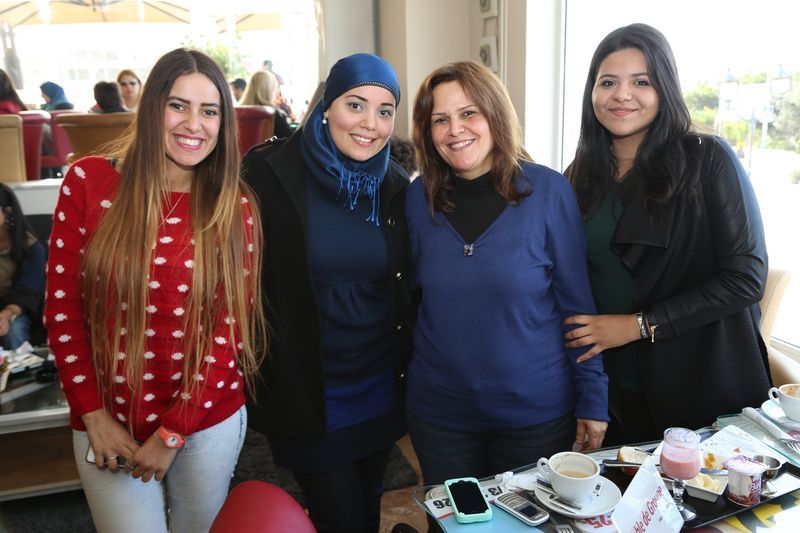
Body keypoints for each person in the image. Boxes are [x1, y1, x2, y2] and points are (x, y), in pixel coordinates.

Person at [44, 48, 266, 533]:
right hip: (106, 421)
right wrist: (92, 415)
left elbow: (229, 333)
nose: (194, 124)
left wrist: (173, 431)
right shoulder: (87, 182)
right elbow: (63, 311)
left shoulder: (235, 206)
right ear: (151, 109)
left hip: (205, 419)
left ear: (224, 124)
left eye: (210, 111)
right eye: (177, 105)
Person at [564, 23, 771, 444]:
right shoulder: (578, 175)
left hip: (697, 381)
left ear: (665, 90)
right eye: (608, 82)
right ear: (592, 92)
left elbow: (746, 278)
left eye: (641, 82)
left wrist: (639, 325)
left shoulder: (708, 159)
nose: (622, 95)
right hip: (611, 388)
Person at [406, 61, 608, 489]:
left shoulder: (549, 192)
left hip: (535, 417)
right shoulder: (416, 200)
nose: (455, 129)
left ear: (495, 113)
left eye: (469, 113)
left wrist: (593, 396)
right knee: (453, 519)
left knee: (527, 519)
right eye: (440, 119)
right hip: (440, 417)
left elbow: (577, 307)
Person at [242, 53, 413, 533]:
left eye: (384, 111)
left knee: (369, 503)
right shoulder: (267, 174)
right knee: (338, 515)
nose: (370, 123)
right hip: (309, 390)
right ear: (326, 107)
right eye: (355, 105)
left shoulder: (396, 186)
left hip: (378, 387)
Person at [0, 184, 45, 350]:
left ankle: (21, 366)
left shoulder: (31, 247)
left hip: (16, 308)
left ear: (8, 211)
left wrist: (7, 314)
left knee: (13, 331)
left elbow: (29, 292)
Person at [239, 70, 293, 138]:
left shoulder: (236, 112)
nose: (278, 90)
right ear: (270, 90)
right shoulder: (275, 115)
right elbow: (290, 140)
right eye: (276, 87)